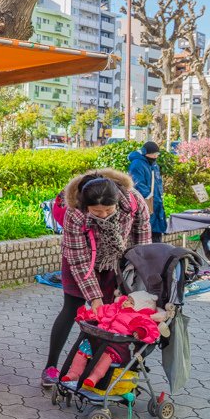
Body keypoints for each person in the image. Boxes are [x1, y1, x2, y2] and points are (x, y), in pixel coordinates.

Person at [41, 169, 151, 388]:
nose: (103, 215)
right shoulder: (74, 212)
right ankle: (50, 366)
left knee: (111, 316)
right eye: (96, 211)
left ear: (117, 201)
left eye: (108, 210)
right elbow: (80, 261)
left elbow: (142, 236)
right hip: (81, 262)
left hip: (116, 263)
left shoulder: (133, 201)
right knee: (72, 310)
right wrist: (94, 298)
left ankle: (98, 369)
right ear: (85, 206)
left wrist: (139, 272)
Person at [128, 141, 167, 243]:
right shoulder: (137, 164)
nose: (155, 156)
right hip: (147, 203)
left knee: (157, 233)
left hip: (156, 202)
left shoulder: (154, 164)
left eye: (157, 154)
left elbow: (158, 183)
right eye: (153, 154)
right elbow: (137, 183)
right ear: (145, 153)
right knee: (148, 231)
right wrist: (149, 197)